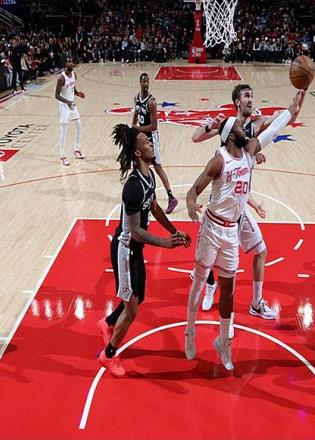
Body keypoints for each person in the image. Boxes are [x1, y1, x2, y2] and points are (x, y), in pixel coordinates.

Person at [185, 90, 305, 370]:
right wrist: (191, 205)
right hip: (212, 227)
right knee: (200, 282)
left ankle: (223, 342)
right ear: (229, 135)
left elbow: (273, 130)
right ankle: (190, 332)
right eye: (239, 126)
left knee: (228, 291)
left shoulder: (249, 152)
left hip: (231, 231)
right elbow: (194, 189)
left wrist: (290, 111)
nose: (244, 128)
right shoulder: (219, 160)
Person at [97, 123, 191, 377]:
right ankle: (108, 355)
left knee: (139, 298)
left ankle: (107, 322)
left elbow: (155, 207)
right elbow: (135, 230)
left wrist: (173, 230)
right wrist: (165, 243)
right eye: (146, 142)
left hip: (135, 250)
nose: (151, 143)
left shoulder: (149, 176)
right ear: (138, 152)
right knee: (132, 309)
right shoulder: (133, 186)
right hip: (125, 250)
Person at [132, 73, 178, 214]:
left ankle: (171, 197)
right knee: (137, 165)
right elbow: (135, 115)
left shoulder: (151, 102)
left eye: (147, 82)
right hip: (141, 136)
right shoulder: (136, 98)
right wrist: (132, 130)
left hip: (151, 137)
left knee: (157, 167)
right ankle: (141, 194)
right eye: (144, 81)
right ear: (140, 82)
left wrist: (139, 128)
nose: (146, 84)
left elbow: (154, 126)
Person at [55, 60, 86, 166]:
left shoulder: (74, 75)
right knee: (64, 130)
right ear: (65, 65)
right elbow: (56, 95)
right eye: (68, 62)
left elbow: (72, 88)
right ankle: (62, 156)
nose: (71, 63)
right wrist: (67, 102)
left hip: (71, 104)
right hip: (64, 106)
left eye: (72, 62)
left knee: (79, 126)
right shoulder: (61, 78)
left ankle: (76, 149)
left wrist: (78, 93)